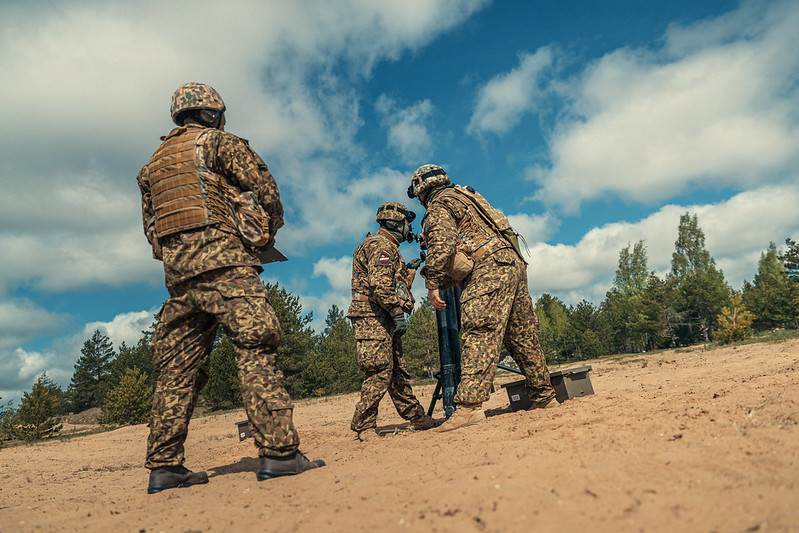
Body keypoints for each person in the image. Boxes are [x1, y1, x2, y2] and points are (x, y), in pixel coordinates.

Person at [137, 82, 324, 494]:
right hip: (227, 266)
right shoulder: (219, 144)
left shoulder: (151, 166)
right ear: (211, 114)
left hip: (180, 279)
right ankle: (279, 455)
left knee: (177, 368)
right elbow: (268, 193)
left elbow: (151, 230)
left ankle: (165, 467)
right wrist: (261, 234)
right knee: (257, 346)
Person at [407, 164, 557, 433]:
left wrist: (432, 283)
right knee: (522, 335)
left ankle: (468, 409)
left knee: (480, 331)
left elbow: (441, 248)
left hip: (488, 267)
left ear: (420, 190)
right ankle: (544, 396)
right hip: (511, 262)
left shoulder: (439, 205)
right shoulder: (466, 196)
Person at [347, 202, 436, 441]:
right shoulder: (380, 247)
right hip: (372, 316)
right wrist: (397, 312)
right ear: (395, 223)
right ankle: (364, 425)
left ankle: (416, 417)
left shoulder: (387, 247)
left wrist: (406, 270)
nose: (410, 229)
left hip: (380, 314)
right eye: (407, 223)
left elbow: (386, 280)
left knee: (397, 370)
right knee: (379, 370)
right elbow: (379, 285)